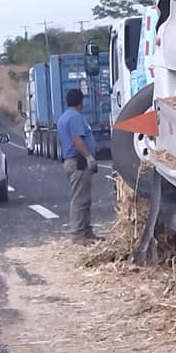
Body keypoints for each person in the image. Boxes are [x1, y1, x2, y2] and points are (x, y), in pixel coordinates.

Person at [57, 89, 100, 244]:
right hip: (78, 162)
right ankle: (78, 234)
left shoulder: (63, 118)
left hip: (70, 160)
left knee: (84, 198)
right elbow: (77, 139)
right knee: (80, 199)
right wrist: (88, 157)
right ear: (80, 101)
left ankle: (86, 231)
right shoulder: (75, 117)